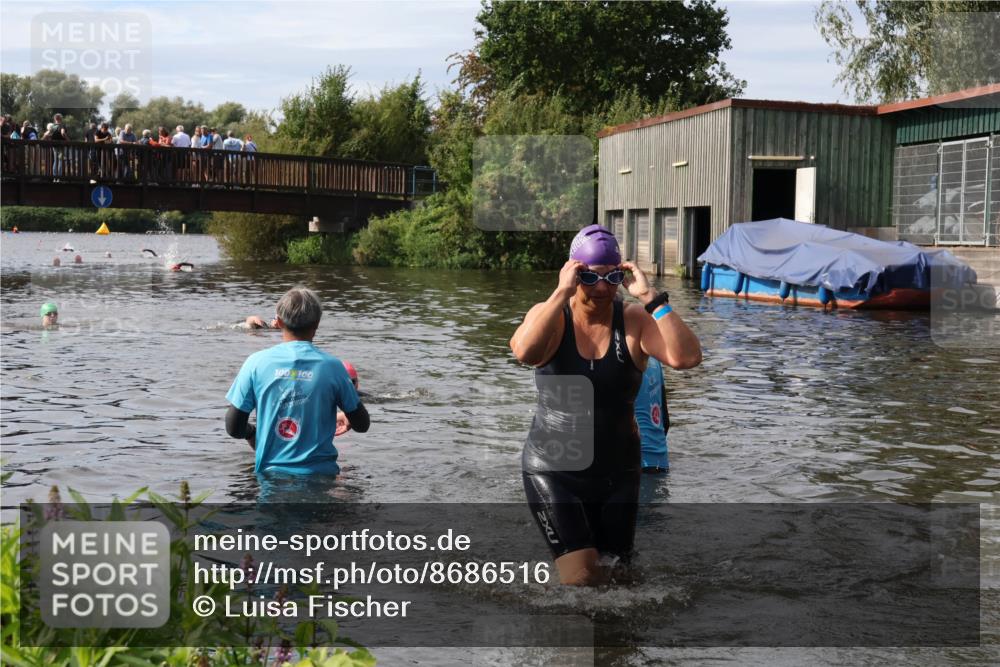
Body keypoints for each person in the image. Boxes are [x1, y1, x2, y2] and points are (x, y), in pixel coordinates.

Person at [510, 224, 701, 586]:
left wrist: (651, 298)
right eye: (589, 277)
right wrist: (559, 294)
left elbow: (687, 358)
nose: (601, 288)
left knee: (621, 581)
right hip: (554, 470)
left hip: (619, 473)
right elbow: (525, 352)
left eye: (612, 277)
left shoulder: (633, 320)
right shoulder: (551, 315)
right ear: (572, 272)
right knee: (583, 580)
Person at [225, 287, 370, 476]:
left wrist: (252, 433)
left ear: (278, 322)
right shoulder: (334, 368)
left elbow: (233, 427)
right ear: (317, 324)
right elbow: (362, 425)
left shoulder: (255, 363)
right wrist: (349, 416)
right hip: (321, 478)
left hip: (270, 478)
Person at [635, 356, 669, 473]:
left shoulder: (618, 360)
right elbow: (665, 421)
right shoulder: (655, 359)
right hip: (661, 459)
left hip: (631, 464)